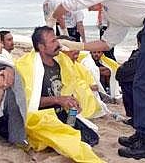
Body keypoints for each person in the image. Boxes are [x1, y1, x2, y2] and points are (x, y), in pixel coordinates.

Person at [50, 0, 145, 161]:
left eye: (88, 5)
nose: (87, 9)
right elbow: (106, 43)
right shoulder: (113, 13)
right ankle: (143, 134)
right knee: (139, 83)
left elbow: (71, 3)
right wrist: (75, 45)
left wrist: (52, 20)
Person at [16, 26, 104, 163]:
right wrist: (58, 100)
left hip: (61, 113)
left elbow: (67, 90)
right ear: (41, 47)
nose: (58, 44)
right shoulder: (28, 67)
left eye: (56, 39)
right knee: (71, 144)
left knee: (91, 138)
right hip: (41, 117)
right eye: (52, 41)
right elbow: (28, 102)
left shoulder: (61, 62)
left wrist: (72, 102)